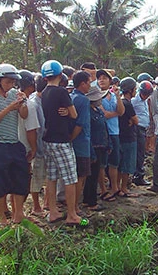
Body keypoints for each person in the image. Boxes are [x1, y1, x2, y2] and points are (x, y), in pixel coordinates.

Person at [41, 59, 88, 227]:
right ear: (61, 75)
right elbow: (74, 115)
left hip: (48, 139)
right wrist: (68, 110)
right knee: (70, 178)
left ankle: (53, 211)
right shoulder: (61, 92)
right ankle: (72, 214)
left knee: (52, 177)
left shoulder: (44, 92)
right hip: (61, 140)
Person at [0, 63, 29, 225]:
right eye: (8, 81)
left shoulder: (14, 94)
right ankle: (2, 218)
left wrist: (22, 103)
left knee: (20, 178)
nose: (11, 85)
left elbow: (24, 115)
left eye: (13, 82)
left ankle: (18, 214)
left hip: (14, 141)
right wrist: (9, 108)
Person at [98, 69, 125, 202]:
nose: (101, 80)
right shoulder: (96, 95)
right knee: (102, 163)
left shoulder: (113, 95)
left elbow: (121, 111)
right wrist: (115, 113)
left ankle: (114, 187)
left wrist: (118, 96)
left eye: (104, 78)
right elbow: (105, 114)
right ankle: (103, 189)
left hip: (114, 132)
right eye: (99, 78)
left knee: (114, 161)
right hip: (103, 133)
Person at [17, 70, 42, 215]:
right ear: (31, 86)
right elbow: (31, 131)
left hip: (13, 145)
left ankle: (14, 212)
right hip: (24, 147)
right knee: (23, 183)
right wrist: (34, 149)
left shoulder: (11, 99)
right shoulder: (29, 105)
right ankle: (19, 214)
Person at [69, 71, 92, 214]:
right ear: (82, 83)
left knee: (74, 176)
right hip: (81, 142)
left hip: (75, 142)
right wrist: (72, 138)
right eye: (89, 82)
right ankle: (75, 206)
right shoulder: (83, 100)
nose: (90, 85)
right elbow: (80, 123)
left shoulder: (71, 97)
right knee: (80, 176)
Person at [84, 84, 109, 211]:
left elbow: (104, 126)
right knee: (92, 175)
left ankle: (88, 199)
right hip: (94, 146)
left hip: (101, 145)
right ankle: (91, 202)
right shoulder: (88, 112)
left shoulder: (98, 110)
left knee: (94, 173)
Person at [29, 74, 47, 215]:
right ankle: (36, 206)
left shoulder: (43, 100)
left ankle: (46, 203)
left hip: (45, 144)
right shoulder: (34, 103)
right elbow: (34, 129)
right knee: (36, 177)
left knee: (46, 177)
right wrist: (34, 148)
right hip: (37, 146)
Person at [117, 77, 139, 197]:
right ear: (130, 90)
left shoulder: (120, 102)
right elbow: (136, 120)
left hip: (121, 136)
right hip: (129, 137)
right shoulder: (127, 104)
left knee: (120, 164)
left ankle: (118, 187)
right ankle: (124, 187)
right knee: (127, 165)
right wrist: (132, 120)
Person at [131, 80, 154, 186]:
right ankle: (138, 175)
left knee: (141, 152)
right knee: (139, 152)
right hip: (137, 128)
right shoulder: (134, 100)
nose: (145, 96)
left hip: (143, 128)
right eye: (144, 93)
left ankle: (138, 174)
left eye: (147, 94)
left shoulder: (145, 100)